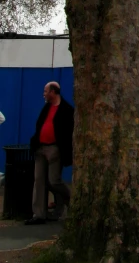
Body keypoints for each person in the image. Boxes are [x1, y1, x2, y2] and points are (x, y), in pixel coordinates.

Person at [26, 82, 74, 225]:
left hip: (54, 149)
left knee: (54, 180)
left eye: (46, 91)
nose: (44, 94)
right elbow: (40, 125)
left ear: (53, 92)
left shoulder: (66, 109)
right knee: (39, 180)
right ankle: (39, 214)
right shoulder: (46, 108)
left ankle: (70, 200)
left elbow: (67, 132)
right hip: (41, 148)